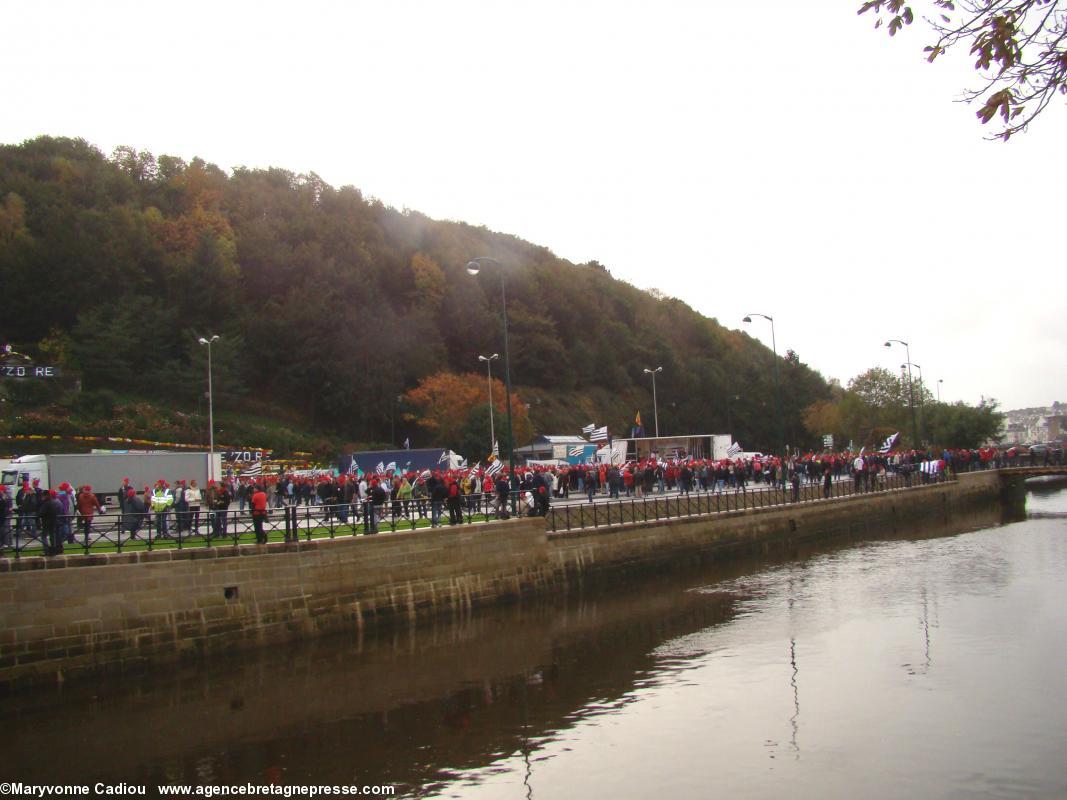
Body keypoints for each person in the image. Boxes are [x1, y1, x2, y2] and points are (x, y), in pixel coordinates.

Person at [39, 489, 63, 556]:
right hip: (54, 521)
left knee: (44, 536)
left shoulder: (46, 503)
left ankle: (46, 550)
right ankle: (54, 549)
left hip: (46, 521)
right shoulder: (56, 501)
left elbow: (41, 513)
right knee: (52, 536)